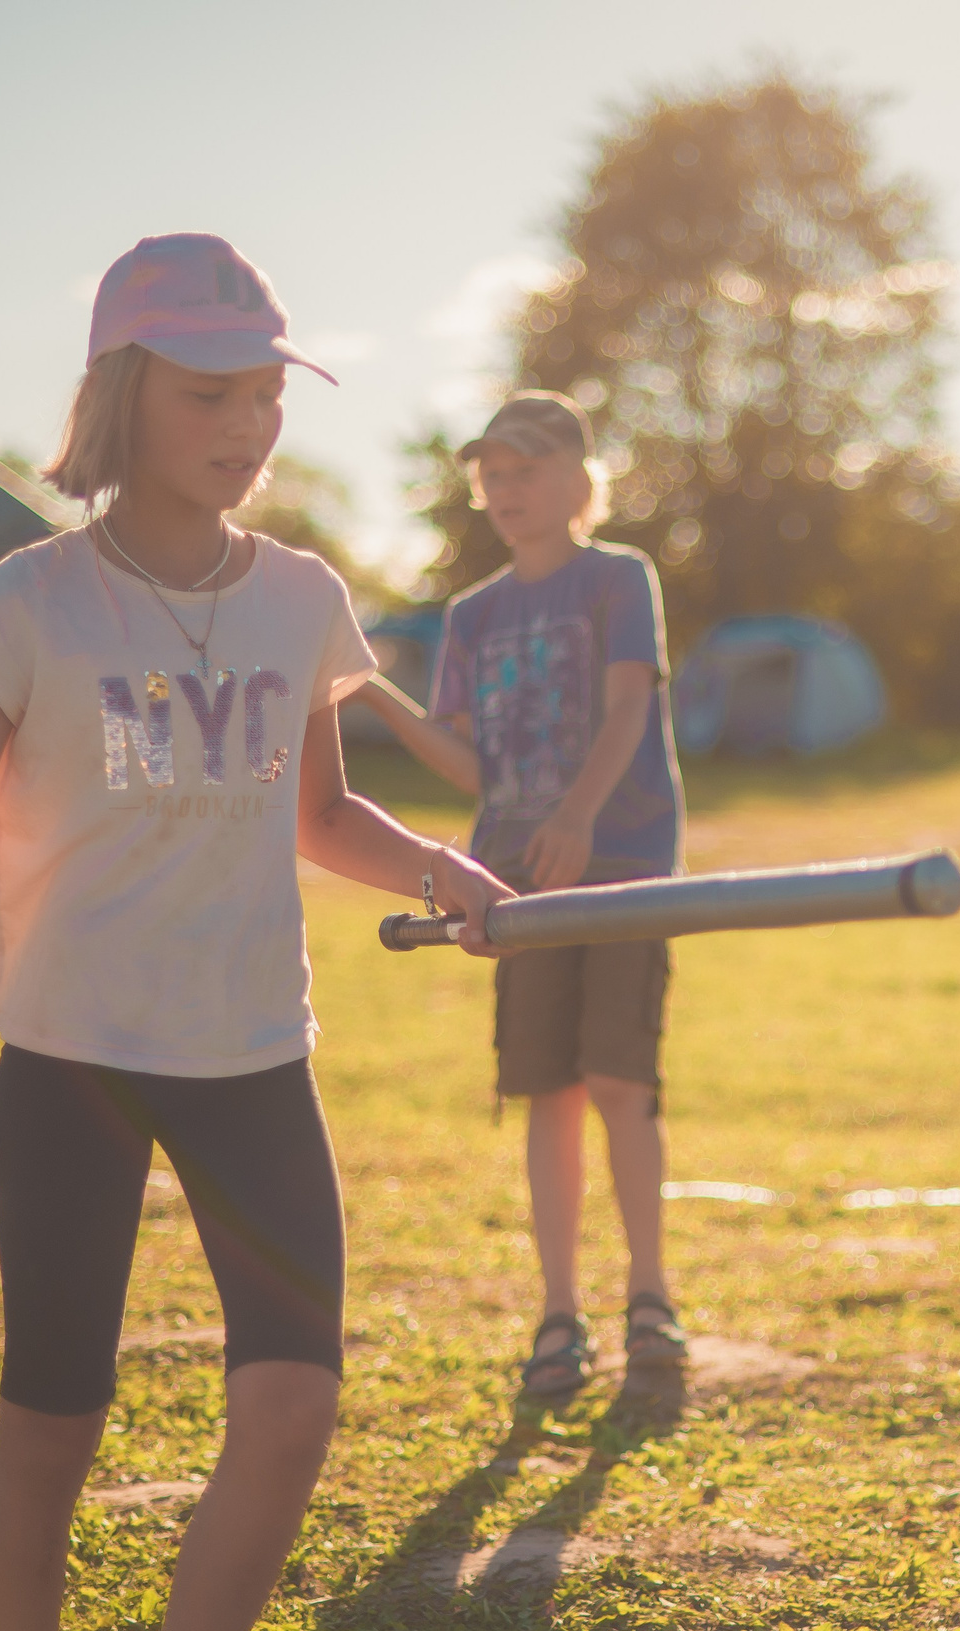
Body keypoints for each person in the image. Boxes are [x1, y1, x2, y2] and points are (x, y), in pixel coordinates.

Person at [0, 233, 514, 1631]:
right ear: (124, 394)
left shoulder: (302, 596)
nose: (248, 425)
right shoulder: (27, 601)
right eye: (210, 394)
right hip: (74, 1062)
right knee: (52, 1423)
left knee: (294, 1402)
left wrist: (449, 871)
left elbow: (321, 813)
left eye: (267, 394)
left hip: (252, 1058)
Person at [354, 390, 688, 1401]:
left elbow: (629, 706)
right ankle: (559, 1313)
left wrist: (580, 814)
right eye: (491, 475)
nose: (505, 490)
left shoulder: (617, 578)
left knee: (621, 1083)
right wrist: (371, 691)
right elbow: (473, 768)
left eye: (526, 471)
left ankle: (650, 1297)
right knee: (547, 1090)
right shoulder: (472, 614)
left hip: (622, 870)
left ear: (578, 481)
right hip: (515, 884)